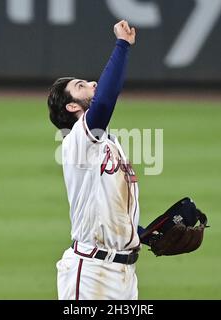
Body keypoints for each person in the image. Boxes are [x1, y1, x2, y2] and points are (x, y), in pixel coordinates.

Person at [47, 20, 142, 300]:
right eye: (81, 85)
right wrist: (122, 45)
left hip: (124, 276)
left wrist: (143, 233)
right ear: (73, 106)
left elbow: (108, 209)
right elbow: (103, 102)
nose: (92, 84)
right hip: (90, 274)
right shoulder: (78, 139)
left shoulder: (108, 145)